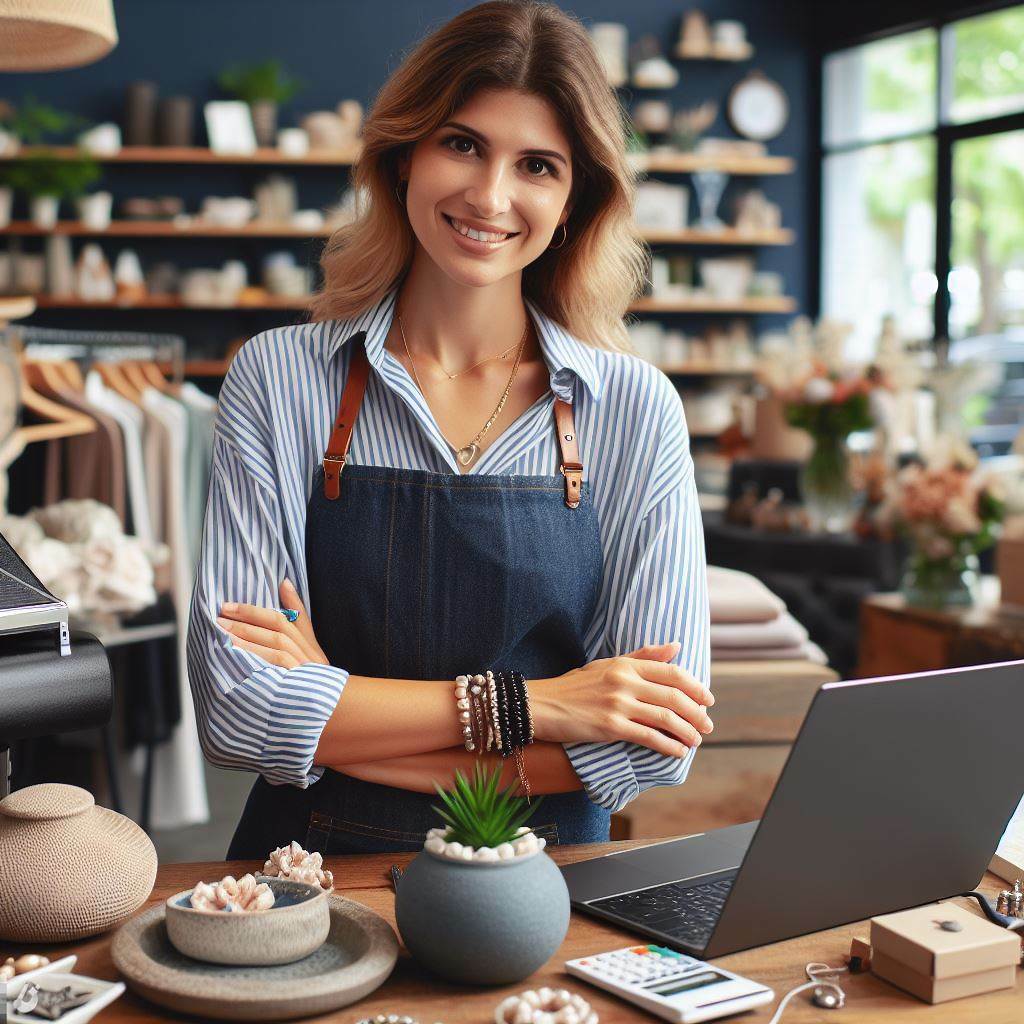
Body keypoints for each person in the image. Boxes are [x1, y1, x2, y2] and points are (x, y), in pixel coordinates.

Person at [186, 0, 714, 859]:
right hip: (308, 883)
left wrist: (336, 709)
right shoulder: (280, 378)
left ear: (575, 199)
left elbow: (645, 746)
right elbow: (240, 714)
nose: (490, 195)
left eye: (537, 164)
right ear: (403, 157)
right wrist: (541, 708)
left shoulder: (635, 407)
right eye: (462, 144)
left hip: (546, 894)